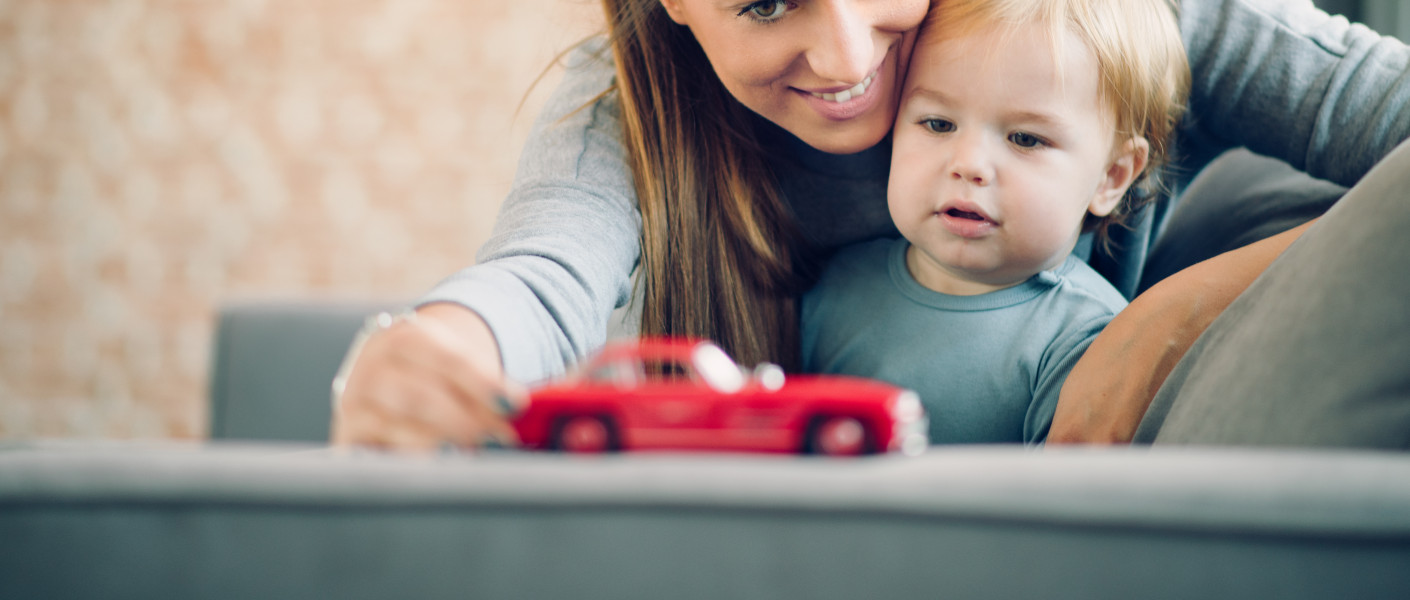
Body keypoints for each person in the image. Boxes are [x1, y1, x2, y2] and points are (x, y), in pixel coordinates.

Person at [331, 0, 1410, 451]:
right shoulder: (628, 118)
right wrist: (438, 348)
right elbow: (543, 271)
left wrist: (1166, 315)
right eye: (764, 3)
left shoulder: (1100, 18)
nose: (849, 58)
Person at [801, 0, 1187, 445]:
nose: (969, 164)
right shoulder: (833, 286)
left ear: (1112, 177)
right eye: (938, 123)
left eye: (1025, 138)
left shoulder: (1089, 341)